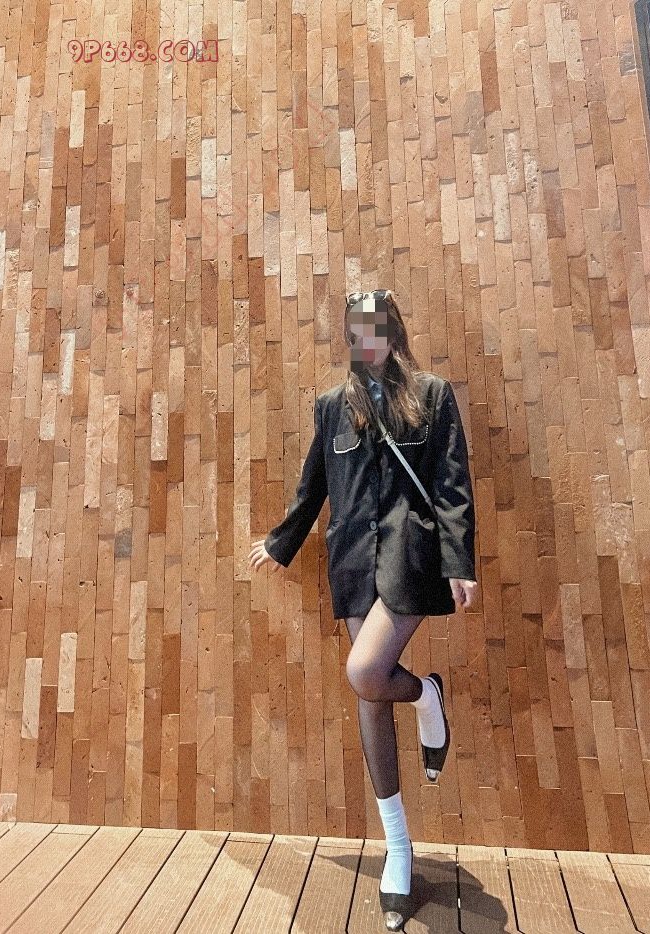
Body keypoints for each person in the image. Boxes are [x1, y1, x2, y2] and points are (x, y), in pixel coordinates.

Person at [249, 290, 477, 930]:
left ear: (393, 331)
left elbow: (452, 483)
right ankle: (398, 847)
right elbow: (314, 485)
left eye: (374, 329)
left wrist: (460, 561)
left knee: (365, 671)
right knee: (370, 694)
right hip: (352, 561)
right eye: (356, 331)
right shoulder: (333, 407)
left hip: (410, 557)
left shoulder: (431, 396)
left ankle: (427, 695)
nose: (365, 340)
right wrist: (282, 542)